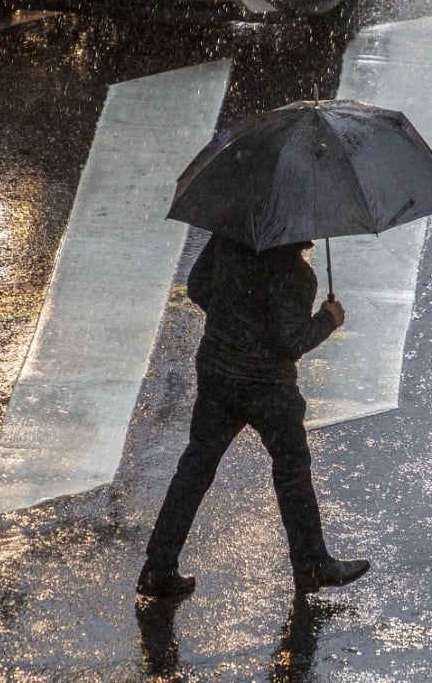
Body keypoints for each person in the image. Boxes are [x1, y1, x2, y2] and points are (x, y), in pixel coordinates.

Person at [139, 235, 370, 599]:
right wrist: (329, 319)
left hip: (218, 374)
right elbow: (291, 341)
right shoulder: (294, 273)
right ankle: (311, 563)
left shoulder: (227, 241)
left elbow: (198, 286)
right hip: (268, 388)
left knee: (194, 470)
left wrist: (233, 319)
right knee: (292, 470)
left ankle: (158, 567)